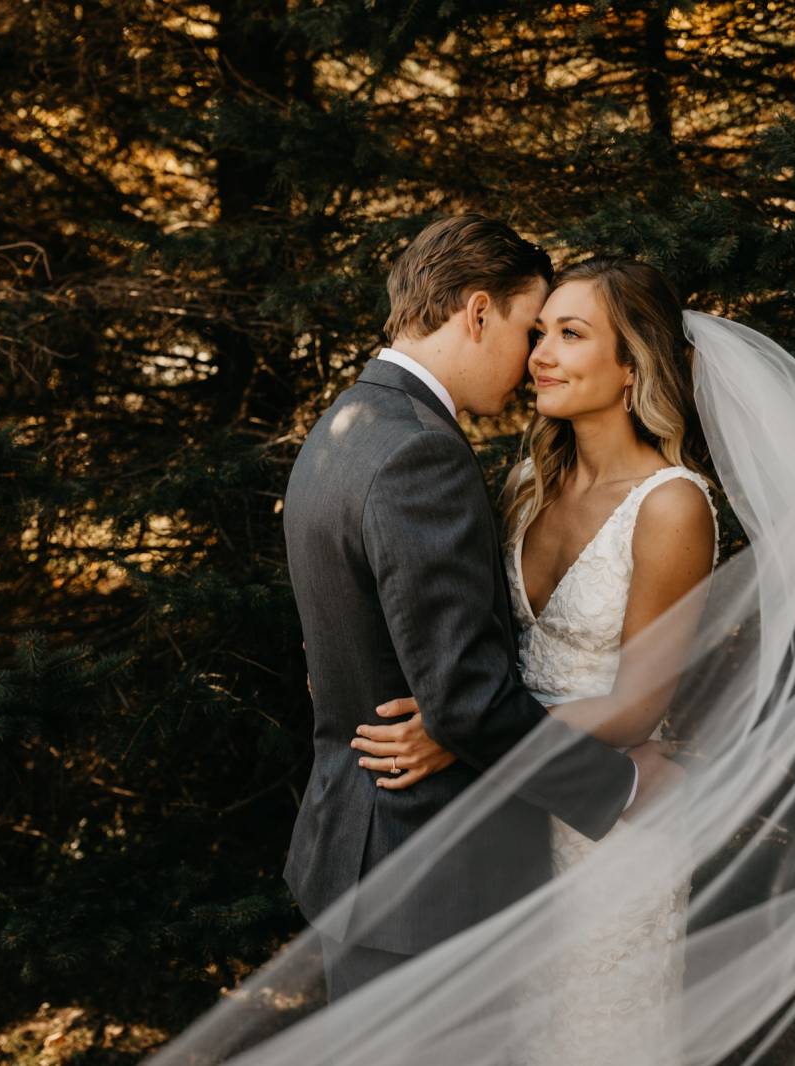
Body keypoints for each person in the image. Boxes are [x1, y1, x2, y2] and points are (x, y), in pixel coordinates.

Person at [145, 238, 795, 1066]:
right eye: (535, 330)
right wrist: (451, 715)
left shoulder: (672, 506)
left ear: (632, 362)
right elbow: (437, 635)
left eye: (568, 335)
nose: (540, 353)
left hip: (594, 825)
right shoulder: (519, 484)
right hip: (513, 814)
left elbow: (636, 706)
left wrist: (462, 734)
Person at [274, 215, 681, 1002]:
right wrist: (623, 787)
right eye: (532, 330)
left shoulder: (344, 428)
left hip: (361, 854)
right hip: (428, 874)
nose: (534, 361)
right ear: (479, 312)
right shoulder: (418, 451)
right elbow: (463, 698)